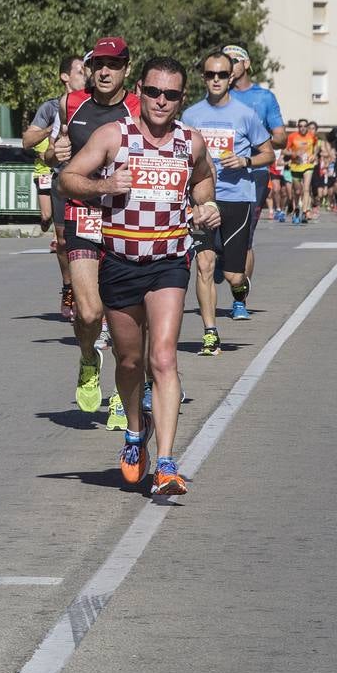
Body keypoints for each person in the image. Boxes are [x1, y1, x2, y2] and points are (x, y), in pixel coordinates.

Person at [59, 56, 219, 496]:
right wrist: (103, 187)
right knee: (130, 361)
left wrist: (206, 206)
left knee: (163, 358)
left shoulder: (191, 141)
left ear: (181, 98)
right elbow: (67, 179)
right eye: (153, 92)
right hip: (120, 261)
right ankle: (135, 431)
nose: (161, 102)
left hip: (169, 261)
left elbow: (204, 181)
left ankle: (166, 462)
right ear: (141, 92)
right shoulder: (114, 136)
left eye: (171, 95)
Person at [44, 38, 140, 424]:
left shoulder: (140, 108)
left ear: (126, 70)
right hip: (83, 213)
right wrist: (55, 154)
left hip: (127, 217)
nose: (104, 71)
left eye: (113, 65)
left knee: (123, 314)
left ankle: (123, 391)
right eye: (98, 64)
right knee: (87, 312)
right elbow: (55, 151)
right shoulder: (72, 104)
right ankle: (88, 359)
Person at [182, 49, 274, 352]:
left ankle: (239, 290)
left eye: (222, 74)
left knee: (234, 275)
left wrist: (245, 161)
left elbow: (269, 153)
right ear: (203, 77)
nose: (216, 80)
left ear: (231, 76)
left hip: (238, 198)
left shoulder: (245, 114)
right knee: (205, 264)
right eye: (211, 74)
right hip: (203, 198)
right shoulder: (191, 115)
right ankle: (210, 331)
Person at [23, 55, 86, 320]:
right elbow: (27, 140)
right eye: (81, 71)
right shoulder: (50, 107)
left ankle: (92, 295)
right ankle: (69, 286)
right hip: (61, 180)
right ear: (65, 77)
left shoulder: (94, 105)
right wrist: (55, 126)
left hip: (89, 181)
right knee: (62, 241)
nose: (87, 75)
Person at [222, 45, 285, 272]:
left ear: (246, 64)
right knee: (216, 234)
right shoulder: (216, 95)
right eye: (225, 61)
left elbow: (281, 138)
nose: (229, 65)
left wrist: (253, 139)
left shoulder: (264, 98)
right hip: (220, 175)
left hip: (253, 175)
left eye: (234, 60)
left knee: (245, 238)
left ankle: (240, 298)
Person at [283, 119, 319, 223]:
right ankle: (296, 209)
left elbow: (316, 146)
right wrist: (293, 154)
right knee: (297, 191)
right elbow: (284, 150)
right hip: (295, 166)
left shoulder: (312, 136)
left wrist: (314, 155)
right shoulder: (292, 136)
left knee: (306, 189)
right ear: (298, 127)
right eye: (300, 126)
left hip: (308, 166)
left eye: (304, 126)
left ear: (307, 127)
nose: (303, 128)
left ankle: (304, 212)